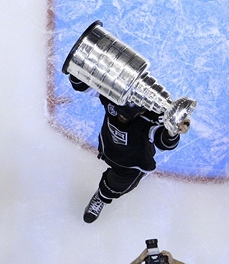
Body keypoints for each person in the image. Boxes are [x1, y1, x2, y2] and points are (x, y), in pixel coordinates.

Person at [65, 75, 190, 223]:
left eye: (126, 116)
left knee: (115, 186)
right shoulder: (115, 95)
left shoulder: (151, 118)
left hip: (133, 164)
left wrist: (172, 131)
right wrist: (78, 68)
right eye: (120, 112)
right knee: (111, 161)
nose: (121, 118)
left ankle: (102, 197)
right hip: (109, 146)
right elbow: (84, 85)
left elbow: (164, 143)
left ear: (142, 111)